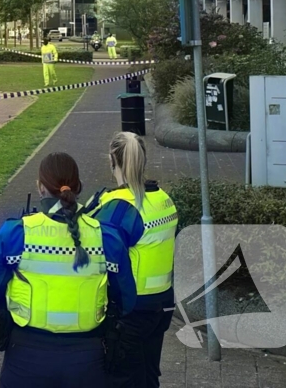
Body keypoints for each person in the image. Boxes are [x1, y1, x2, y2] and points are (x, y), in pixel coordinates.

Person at [0, 152, 136, 388]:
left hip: (26, 358)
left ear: (40, 188)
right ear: (78, 186)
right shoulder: (107, 238)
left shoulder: (15, 234)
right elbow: (126, 301)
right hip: (87, 360)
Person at [86, 132, 178, 388]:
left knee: (123, 378)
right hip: (162, 304)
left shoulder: (119, 208)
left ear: (112, 160)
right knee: (149, 375)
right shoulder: (164, 199)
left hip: (130, 310)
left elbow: (95, 253)